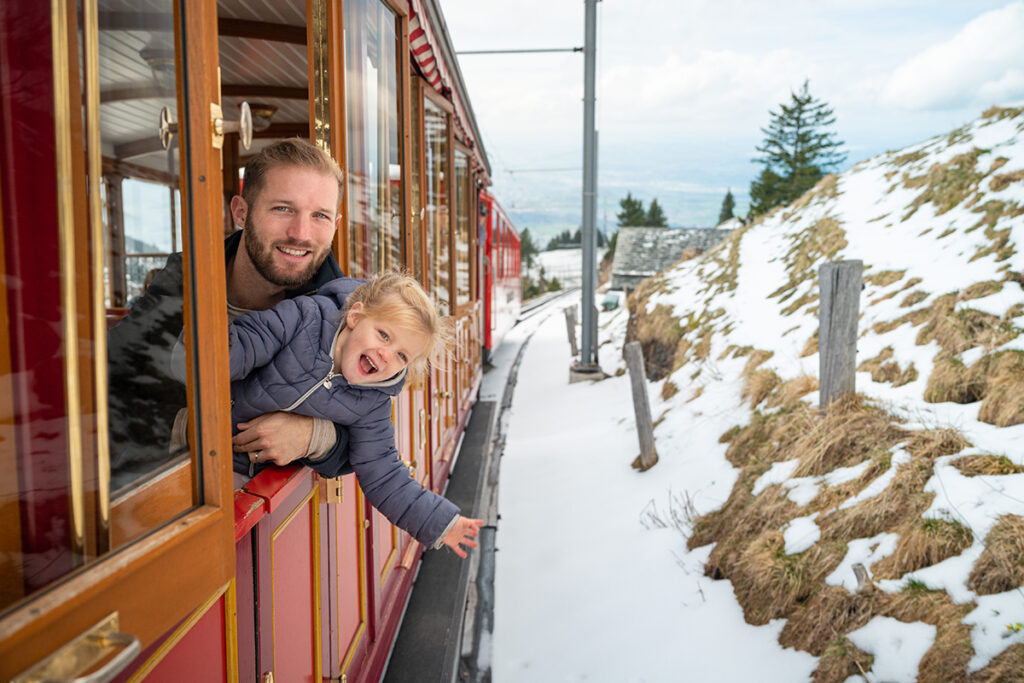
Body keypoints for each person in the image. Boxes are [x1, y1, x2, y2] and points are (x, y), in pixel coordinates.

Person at [108, 138, 351, 489]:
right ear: (241, 212)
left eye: (320, 216)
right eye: (283, 208)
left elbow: (367, 423)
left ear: (336, 224)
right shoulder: (186, 277)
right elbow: (114, 373)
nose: (301, 233)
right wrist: (188, 427)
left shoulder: (340, 309)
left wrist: (314, 435)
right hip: (159, 494)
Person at [228, 271, 483, 556]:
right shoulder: (303, 318)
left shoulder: (373, 401)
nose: (387, 355)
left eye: (402, 356)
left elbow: (384, 474)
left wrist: (442, 523)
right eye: (384, 335)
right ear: (355, 317)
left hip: (247, 482)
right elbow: (245, 346)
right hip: (198, 449)